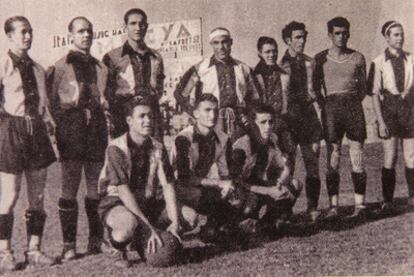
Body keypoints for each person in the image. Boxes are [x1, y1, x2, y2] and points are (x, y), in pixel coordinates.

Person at [47, 17, 109, 260]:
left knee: (95, 187)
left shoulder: (101, 68)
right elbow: (51, 103)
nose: (86, 35)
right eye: (80, 31)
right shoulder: (59, 66)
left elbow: (104, 98)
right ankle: (69, 245)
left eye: (89, 31)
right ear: (70, 35)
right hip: (71, 127)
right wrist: (64, 126)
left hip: (95, 126)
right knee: (70, 185)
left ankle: (96, 241)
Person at [0, 16, 57, 271]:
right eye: (22, 32)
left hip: (37, 133)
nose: (27, 36)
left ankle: (34, 248)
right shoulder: (2, 64)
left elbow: (45, 106)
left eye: (30, 32)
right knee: (9, 196)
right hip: (11, 130)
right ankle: (4, 252)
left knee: (38, 196)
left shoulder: (38, 68)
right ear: (9, 36)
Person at [98, 96, 180, 268]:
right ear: (129, 120)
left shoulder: (158, 147)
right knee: (126, 227)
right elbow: (123, 191)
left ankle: (142, 240)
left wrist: (175, 222)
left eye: (150, 116)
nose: (147, 120)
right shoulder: (116, 148)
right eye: (141, 116)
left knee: (189, 218)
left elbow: (168, 186)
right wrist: (148, 227)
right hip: (117, 203)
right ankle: (116, 247)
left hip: (147, 202)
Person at [314, 17, 368, 219]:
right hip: (331, 109)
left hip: (353, 108)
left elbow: (363, 89)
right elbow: (315, 88)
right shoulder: (320, 58)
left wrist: (350, 101)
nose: (341, 36)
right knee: (333, 157)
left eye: (345, 32)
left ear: (349, 33)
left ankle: (360, 205)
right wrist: (327, 105)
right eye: (337, 33)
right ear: (330, 35)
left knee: (358, 156)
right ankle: (333, 206)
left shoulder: (358, 57)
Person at [170, 93, 238, 242]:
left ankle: (212, 228)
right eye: (207, 110)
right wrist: (218, 184)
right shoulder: (184, 138)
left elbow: (225, 173)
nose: (212, 115)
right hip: (176, 188)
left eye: (215, 110)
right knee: (205, 197)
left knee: (234, 199)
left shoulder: (223, 138)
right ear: (196, 113)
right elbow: (184, 177)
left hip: (199, 186)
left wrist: (228, 187)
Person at [174, 27, 259, 141]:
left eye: (224, 42)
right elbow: (181, 93)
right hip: (211, 121)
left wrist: (248, 115)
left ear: (231, 42)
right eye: (216, 43)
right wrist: (196, 114)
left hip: (238, 123)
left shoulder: (243, 68)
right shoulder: (201, 68)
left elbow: (255, 97)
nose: (221, 47)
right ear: (211, 44)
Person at [232, 105, 303, 234]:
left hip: (259, 185)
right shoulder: (242, 146)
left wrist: (280, 181)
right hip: (244, 189)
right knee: (246, 206)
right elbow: (235, 181)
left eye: (270, 122)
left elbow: (284, 166)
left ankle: (267, 222)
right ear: (253, 124)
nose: (268, 126)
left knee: (294, 185)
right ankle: (238, 222)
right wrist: (267, 191)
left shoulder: (273, 139)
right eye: (263, 122)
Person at [368, 21, 414, 212]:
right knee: (391, 157)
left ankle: (412, 197)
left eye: (401, 34)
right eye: (395, 35)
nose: (400, 38)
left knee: (411, 157)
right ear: (387, 38)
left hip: (409, 113)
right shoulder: (378, 62)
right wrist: (380, 121)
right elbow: (374, 94)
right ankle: (387, 200)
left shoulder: (411, 59)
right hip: (389, 113)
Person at [280, 21, 323, 222]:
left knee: (312, 163)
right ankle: (284, 211)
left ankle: (312, 208)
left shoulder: (310, 62)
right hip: (289, 119)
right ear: (288, 40)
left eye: (303, 36)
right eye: (297, 37)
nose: (302, 40)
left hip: (309, 118)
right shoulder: (280, 66)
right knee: (287, 167)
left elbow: (316, 91)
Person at [103, 8, 165, 140]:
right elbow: (107, 91)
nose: (138, 27)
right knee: (125, 154)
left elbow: (159, 87)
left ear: (146, 26)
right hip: (124, 114)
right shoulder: (112, 57)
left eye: (141, 24)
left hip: (151, 113)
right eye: (133, 23)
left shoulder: (156, 56)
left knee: (155, 154)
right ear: (125, 26)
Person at [252, 36, 295, 173]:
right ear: (259, 53)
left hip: (282, 125)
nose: (272, 55)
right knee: (262, 164)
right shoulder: (252, 74)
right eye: (267, 52)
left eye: (274, 51)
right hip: (261, 127)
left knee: (286, 164)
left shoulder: (285, 75)